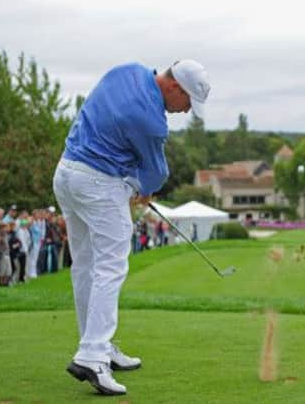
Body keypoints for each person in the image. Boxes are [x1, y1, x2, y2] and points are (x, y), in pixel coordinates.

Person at [53, 60, 210, 395]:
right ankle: (93, 355)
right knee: (110, 266)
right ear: (175, 87)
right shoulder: (152, 121)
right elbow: (155, 173)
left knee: (86, 266)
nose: (184, 112)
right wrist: (142, 188)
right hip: (97, 182)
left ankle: (97, 346)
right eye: (187, 103)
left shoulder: (128, 70)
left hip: (66, 173)